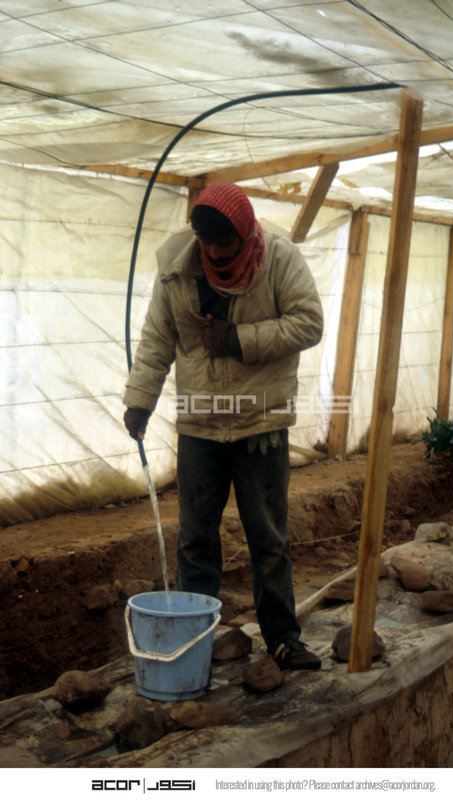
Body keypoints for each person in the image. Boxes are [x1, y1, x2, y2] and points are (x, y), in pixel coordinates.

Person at [123, 182, 323, 670]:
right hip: (201, 427)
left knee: (268, 539)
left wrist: (238, 339)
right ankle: (194, 644)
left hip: (261, 425)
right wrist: (140, 401)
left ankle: (282, 637)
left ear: (247, 232)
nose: (213, 253)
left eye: (223, 244)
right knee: (195, 541)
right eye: (206, 243)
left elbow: (309, 322)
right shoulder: (177, 269)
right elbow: (157, 338)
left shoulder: (279, 259)